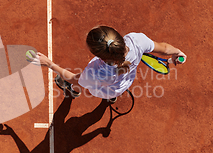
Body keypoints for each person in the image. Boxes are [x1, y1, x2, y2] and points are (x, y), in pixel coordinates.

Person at [35, 25, 186, 103]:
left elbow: (76, 79)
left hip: (106, 90)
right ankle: (111, 97)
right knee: (96, 87)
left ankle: (72, 90)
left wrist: (49, 64)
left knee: (84, 89)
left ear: (96, 54)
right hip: (124, 84)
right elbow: (165, 48)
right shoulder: (137, 40)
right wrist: (178, 52)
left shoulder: (95, 71)